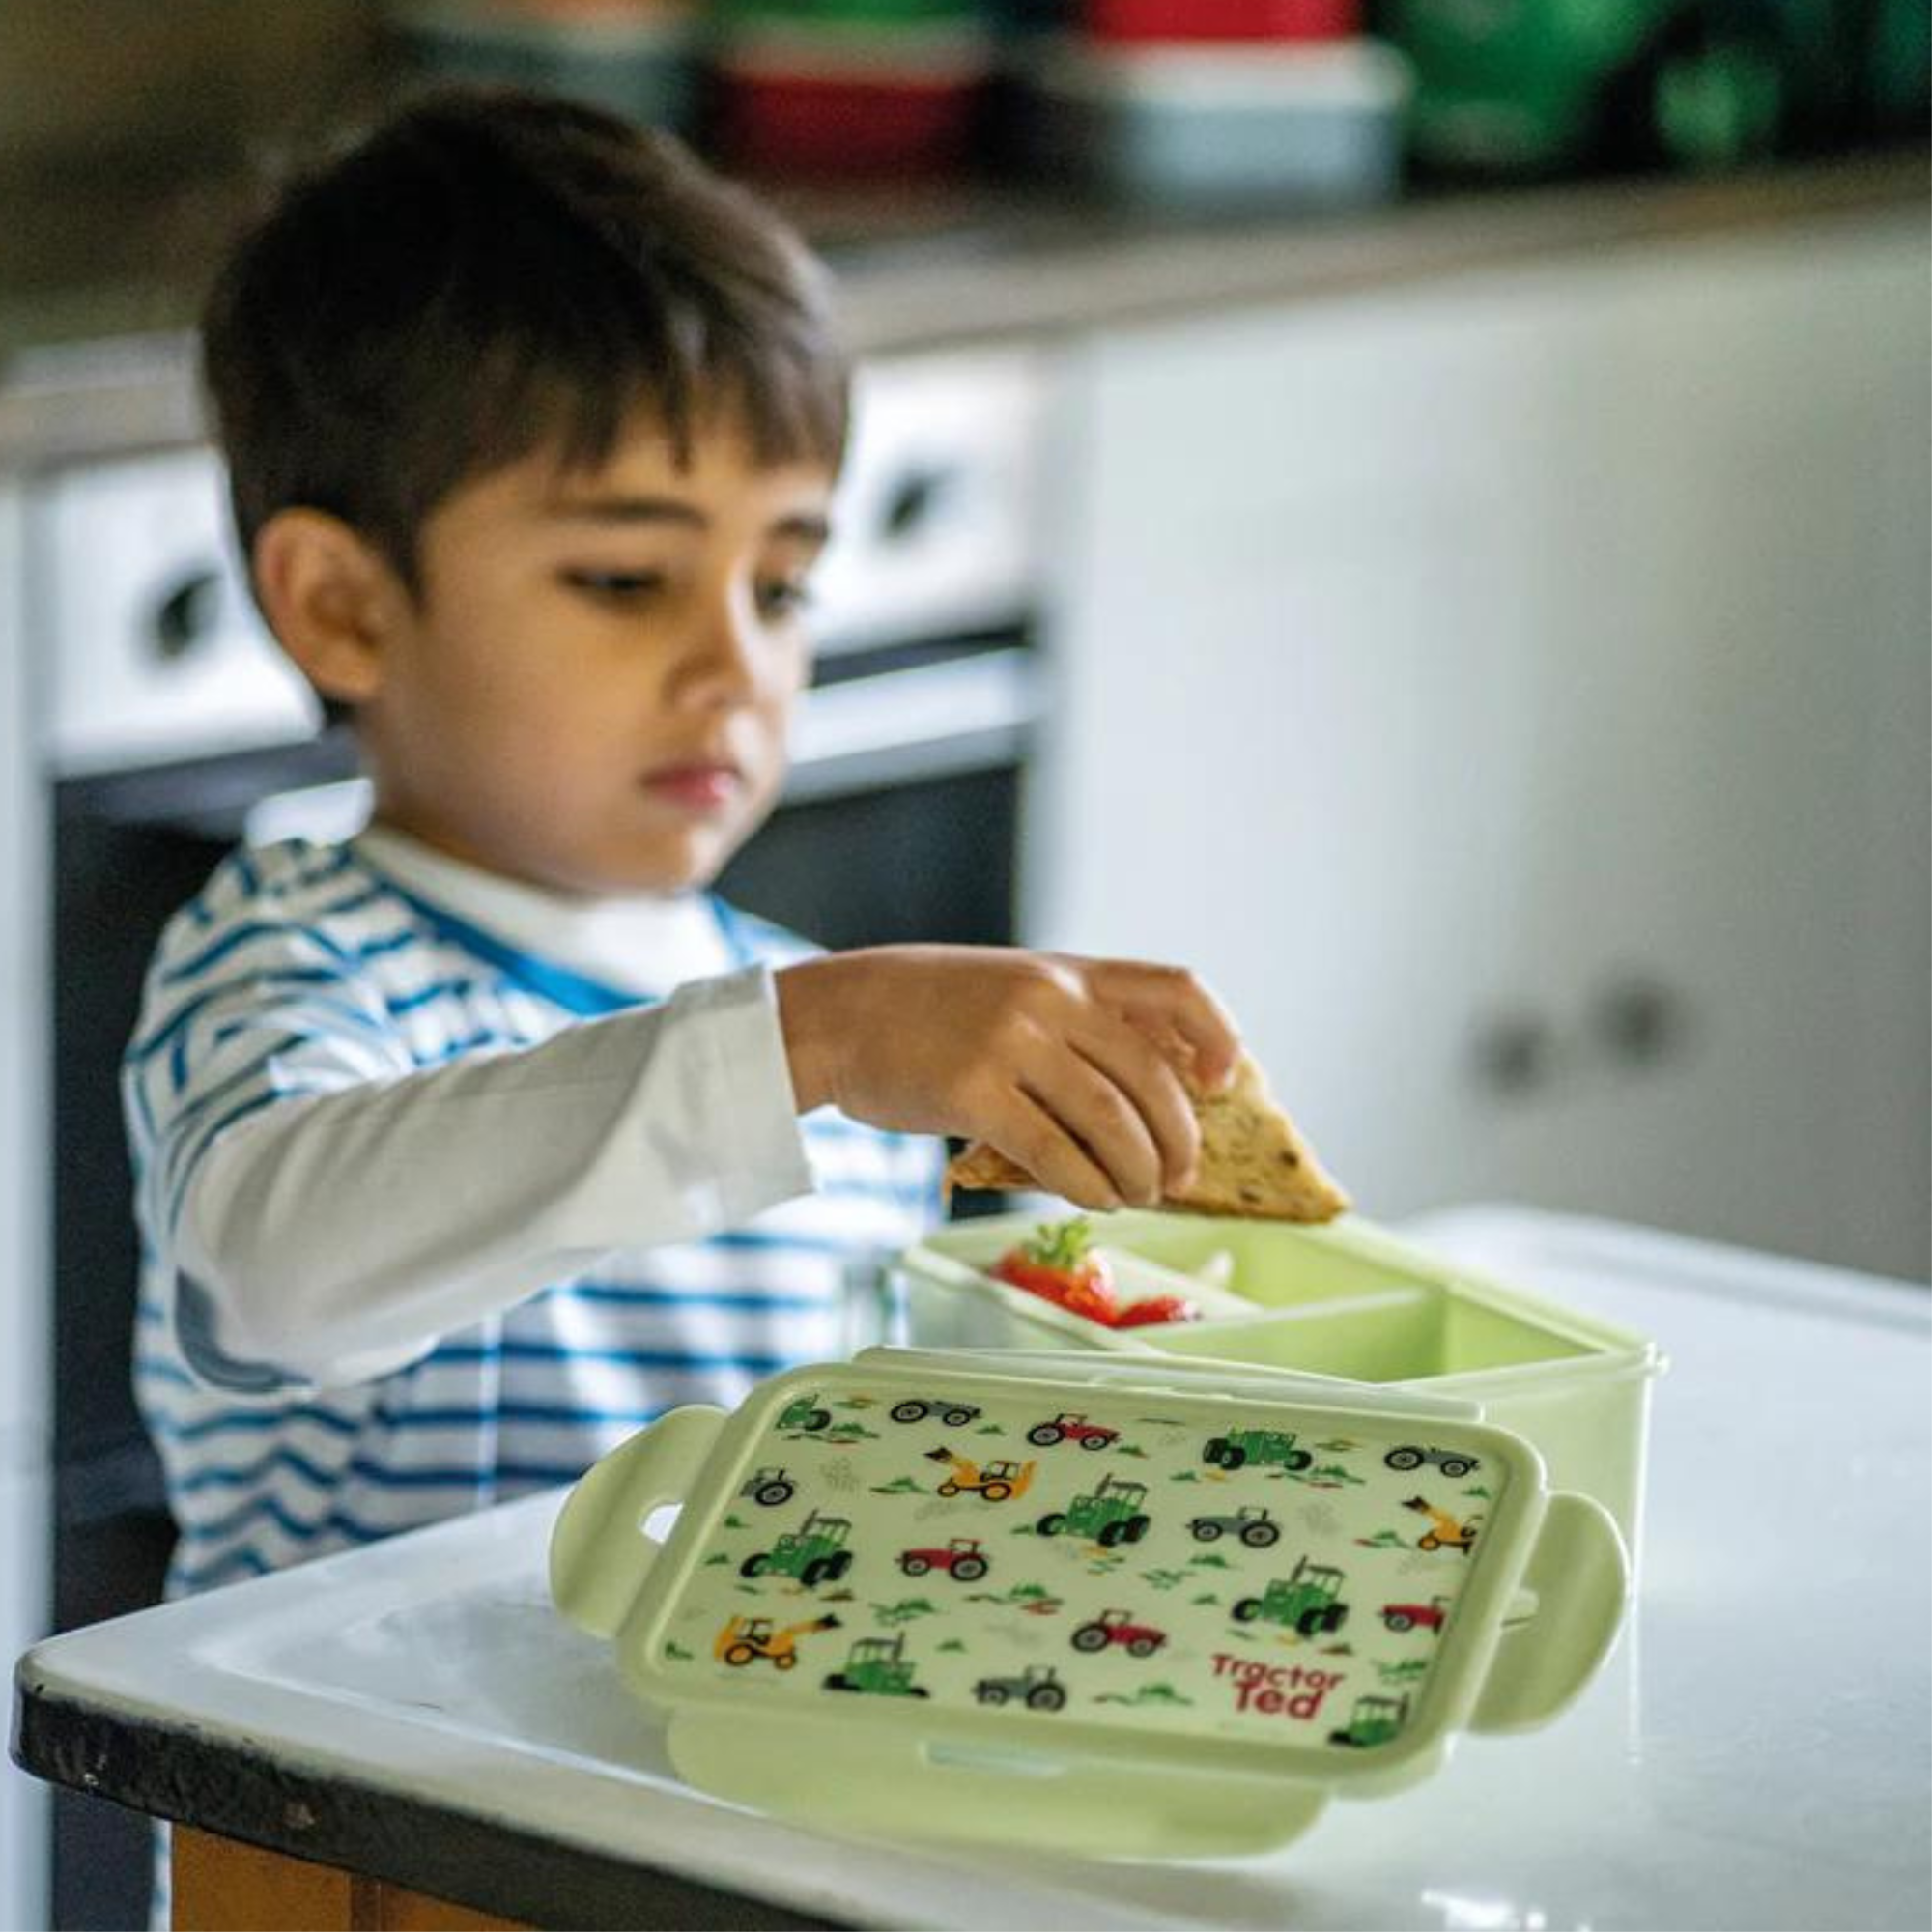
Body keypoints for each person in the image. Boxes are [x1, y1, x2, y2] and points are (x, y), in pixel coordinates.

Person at [125, 87, 1241, 1612]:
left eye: (779, 590)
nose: (735, 668)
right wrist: (817, 1042)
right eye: (625, 576)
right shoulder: (289, 962)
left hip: (706, 1815)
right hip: (369, 1847)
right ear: (345, 606)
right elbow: (272, 1273)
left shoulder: (815, 1044)